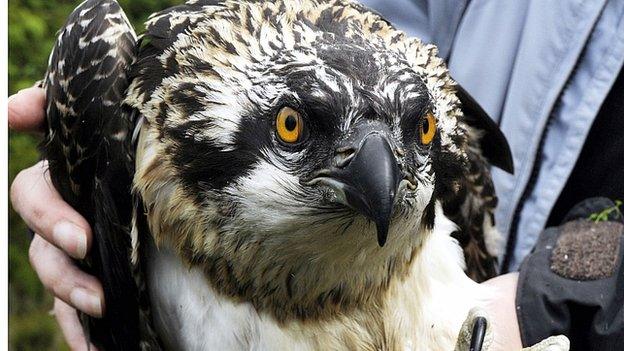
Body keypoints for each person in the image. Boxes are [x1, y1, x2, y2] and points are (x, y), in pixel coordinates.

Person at [9, 0, 624, 349]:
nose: (380, 175)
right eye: (293, 130)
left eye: (426, 138)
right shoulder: (144, 103)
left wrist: (554, 304)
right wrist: (85, 166)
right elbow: (370, 29)